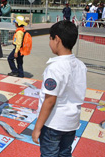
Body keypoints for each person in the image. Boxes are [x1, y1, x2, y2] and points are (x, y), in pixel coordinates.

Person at [32, 20, 87, 156]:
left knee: (49, 153)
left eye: (50, 39)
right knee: (65, 153)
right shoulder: (81, 65)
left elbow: (50, 100)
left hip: (53, 124)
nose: (50, 43)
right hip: (71, 123)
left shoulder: (55, 68)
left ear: (57, 39)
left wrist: (37, 128)